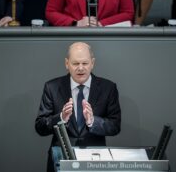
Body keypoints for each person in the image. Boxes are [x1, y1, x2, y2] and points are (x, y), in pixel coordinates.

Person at [35, 42, 121, 172]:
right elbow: (40, 127)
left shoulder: (108, 88)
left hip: (95, 162)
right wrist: (61, 118)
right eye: (75, 63)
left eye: (85, 63)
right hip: (61, 160)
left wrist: (92, 121)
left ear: (92, 63)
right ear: (66, 64)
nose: (80, 68)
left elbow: (115, 126)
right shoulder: (52, 87)